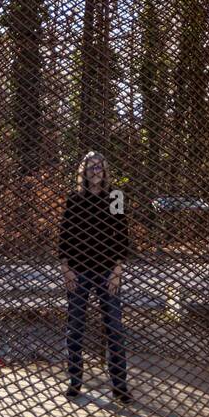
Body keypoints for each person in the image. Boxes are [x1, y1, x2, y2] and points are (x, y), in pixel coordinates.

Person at [58, 151, 131, 403]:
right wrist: (66, 269)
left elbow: (122, 236)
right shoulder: (75, 199)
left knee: (115, 329)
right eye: (91, 167)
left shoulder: (115, 198)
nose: (95, 171)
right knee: (75, 328)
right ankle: (75, 382)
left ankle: (120, 386)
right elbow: (64, 238)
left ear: (105, 170)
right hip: (78, 272)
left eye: (99, 166)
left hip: (107, 273)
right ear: (84, 171)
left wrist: (117, 271)